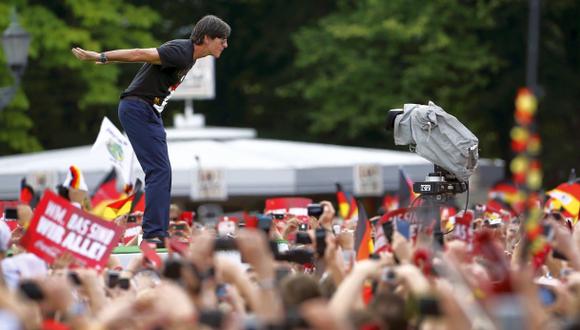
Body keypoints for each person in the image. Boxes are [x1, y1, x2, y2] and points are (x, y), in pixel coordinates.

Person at [72, 15, 231, 247]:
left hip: (148, 112)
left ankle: (157, 231)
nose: (225, 45)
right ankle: (153, 233)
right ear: (206, 38)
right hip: (138, 108)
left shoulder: (190, 57)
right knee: (159, 170)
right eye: (222, 39)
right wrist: (102, 56)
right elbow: (138, 53)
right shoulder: (181, 51)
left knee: (162, 171)